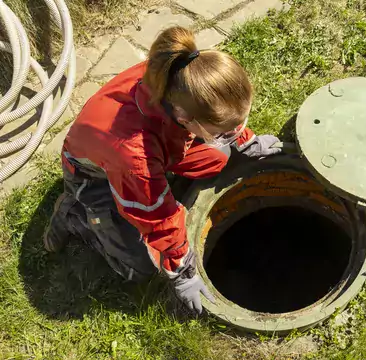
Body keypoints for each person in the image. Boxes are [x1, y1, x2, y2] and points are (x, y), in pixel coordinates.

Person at [43, 26, 281, 314]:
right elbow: (157, 218)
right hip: (93, 176)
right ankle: (76, 215)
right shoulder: (135, 158)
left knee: (218, 157)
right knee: (139, 266)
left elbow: (219, 117)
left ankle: (168, 173)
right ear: (184, 116)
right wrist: (182, 270)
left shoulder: (178, 75)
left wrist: (245, 143)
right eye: (226, 132)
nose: (234, 133)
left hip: (161, 142)